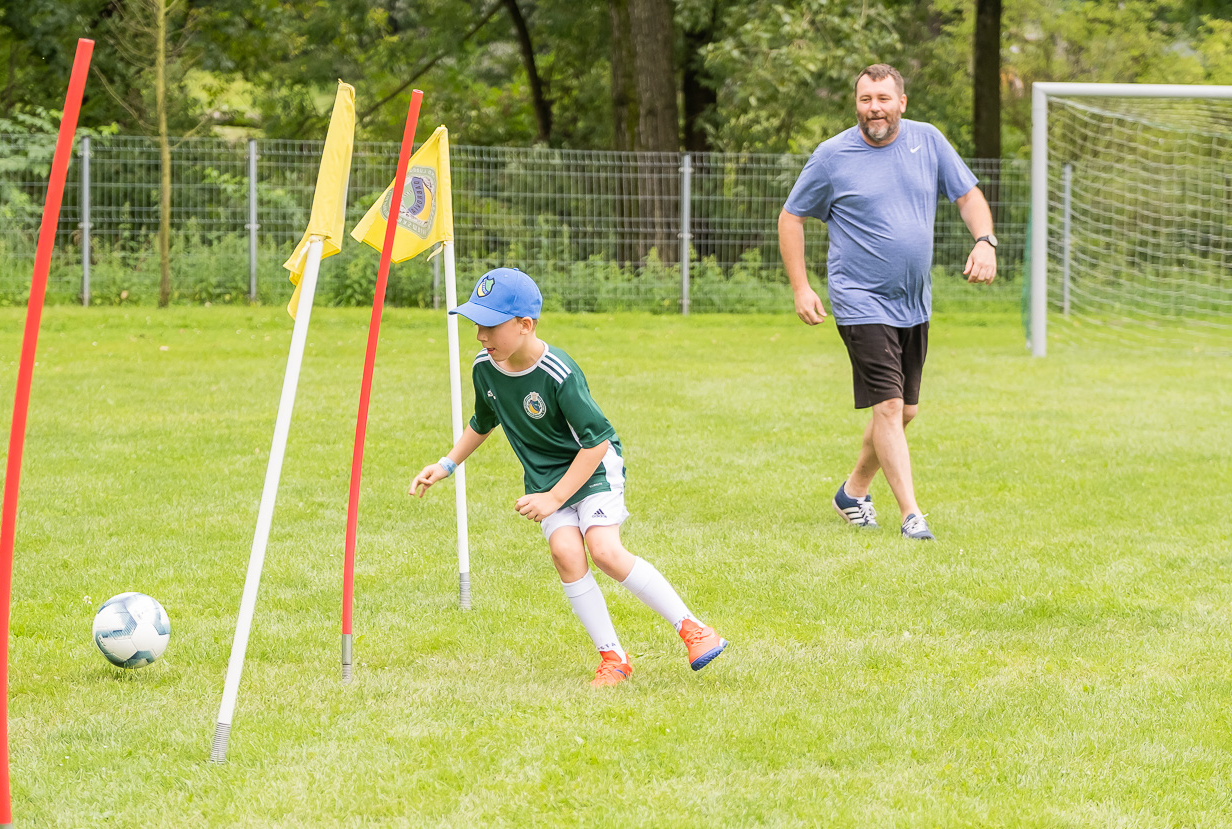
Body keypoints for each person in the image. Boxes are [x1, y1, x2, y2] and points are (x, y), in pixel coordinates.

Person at [408, 267, 727, 688]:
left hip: (592, 468)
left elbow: (595, 443)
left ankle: (694, 629)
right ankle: (613, 659)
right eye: (476, 325)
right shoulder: (485, 368)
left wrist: (554, 498)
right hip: (547, 481)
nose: (482, 336)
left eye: (490, 326)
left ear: (525, 325)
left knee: (605, 551)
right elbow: (483, 421)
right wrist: (446, 464)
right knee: (565, 553)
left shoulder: (559, 372)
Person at [777, 63, 997, 541]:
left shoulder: (928, 141)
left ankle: (853, 491)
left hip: (913, 301)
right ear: (856, 103)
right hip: (859, 298)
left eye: (882, 99)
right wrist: (802, 286)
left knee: (905, 411)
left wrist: (985, 240)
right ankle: (911, 515)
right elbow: (791, 217)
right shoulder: (832, 156)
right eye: (864, 99)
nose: (873, 108)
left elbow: (968, 196)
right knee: (890, 406)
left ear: (901, 102)